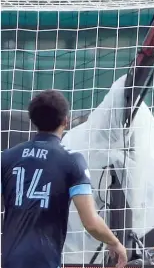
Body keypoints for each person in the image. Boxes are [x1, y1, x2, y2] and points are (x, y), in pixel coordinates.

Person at [1, 89, 127, 268]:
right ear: (65, 121)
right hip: (45, 261)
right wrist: (114, 243)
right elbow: (91, 222)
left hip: (10, 261)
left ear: (32, 120)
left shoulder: (6, 157)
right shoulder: (72, 160)